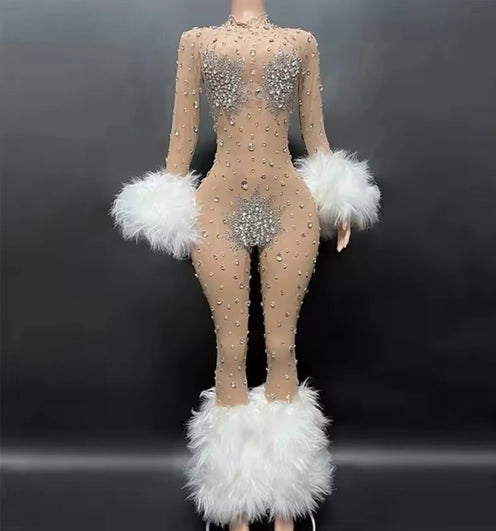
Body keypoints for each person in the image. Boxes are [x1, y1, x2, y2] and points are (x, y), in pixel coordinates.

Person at [111, 8, 380, 531]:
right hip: (218, 209)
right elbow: (181, 137)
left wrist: (339, 201)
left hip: (290, 208)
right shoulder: (196, 42)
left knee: (281, 349)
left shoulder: (301, 41)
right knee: (231, 354)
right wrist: (167, 207)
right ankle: (234, 501)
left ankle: (286, 501)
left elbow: (316, 133)